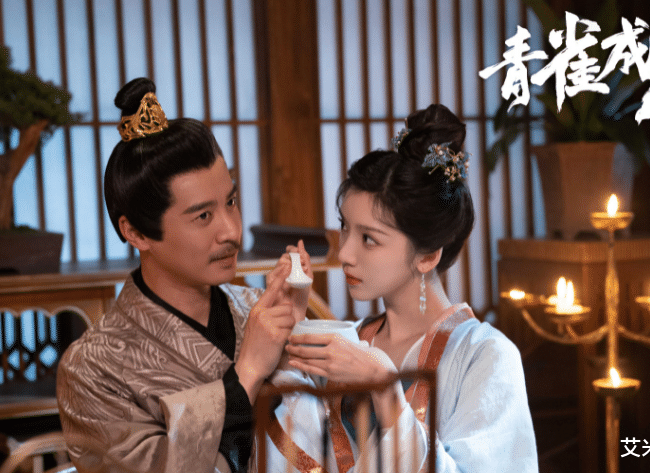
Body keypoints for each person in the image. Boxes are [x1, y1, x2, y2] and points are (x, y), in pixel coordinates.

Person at [56, 77, 312, 473]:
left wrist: (300, 336)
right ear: (136, 233)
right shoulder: (92, 369)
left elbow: (329, 437)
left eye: (231, 201)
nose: (231, 231)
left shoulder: (257, 311)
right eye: (204, 216)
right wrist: (247, 374)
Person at [268, 104, 538, 472]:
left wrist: (385, 389)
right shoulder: (345, 344)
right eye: (345, 227)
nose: (344, 253)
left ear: (427, 256)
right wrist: (292, 333)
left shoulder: (485, 356)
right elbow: (290, 457)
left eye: (369, 239)